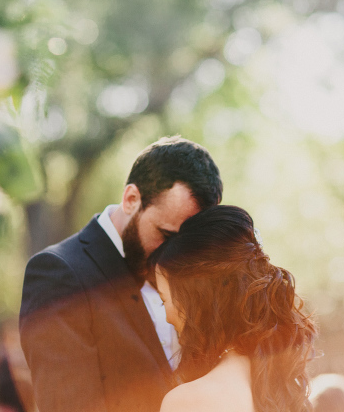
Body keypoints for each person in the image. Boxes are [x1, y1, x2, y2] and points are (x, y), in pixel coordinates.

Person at [19, 136, 222, 412]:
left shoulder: (190, 282)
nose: (174, 257)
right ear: (131, 199)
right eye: (166, 235)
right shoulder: (59, 273)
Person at [150, 205, 317, 412]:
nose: (167, 317)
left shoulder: (186, 401)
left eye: (164, 300)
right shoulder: (283, 389)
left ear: (196, 300)